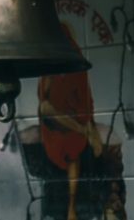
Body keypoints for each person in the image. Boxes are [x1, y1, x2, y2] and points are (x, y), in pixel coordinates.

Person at [38, 23, 103, 220]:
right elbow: (44, 102)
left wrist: (88, 123)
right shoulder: (48, 66)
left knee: (73, 148)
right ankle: (83, 132)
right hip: (55, 123)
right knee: (46, 109)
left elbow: (85, 100)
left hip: (74, 121)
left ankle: (71, 207)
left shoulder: (77, 64)